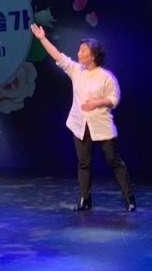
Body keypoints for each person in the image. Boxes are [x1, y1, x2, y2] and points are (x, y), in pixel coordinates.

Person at [30, 23, 135, 212]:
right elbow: (58, 56)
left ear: (93, 55)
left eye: (83, 50)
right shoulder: (76, 71)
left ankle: (129, 199)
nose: (79, 53)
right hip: (80, 124)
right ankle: (85, 199)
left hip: (101, 125)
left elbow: (114, 98)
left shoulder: (106, 76)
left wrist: (96, 103)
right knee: (83, 163)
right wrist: (42, 38)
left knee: (114, 161)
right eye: (79, 50)